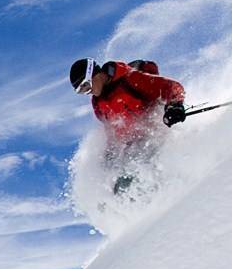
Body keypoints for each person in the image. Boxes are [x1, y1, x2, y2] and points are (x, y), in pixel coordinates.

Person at [68, 58, 187, 194]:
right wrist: (110, 153)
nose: (88, 92)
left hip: (155, 136)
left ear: (95, 74)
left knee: (130, 182)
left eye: (86, 86)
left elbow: (171, 87)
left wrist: (175, 106)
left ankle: (169, 197)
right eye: (82, 91)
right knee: (118, 189)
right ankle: (128, 211)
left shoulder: (129, 80)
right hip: (132, 147)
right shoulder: (98, 103)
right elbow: (112, 130)